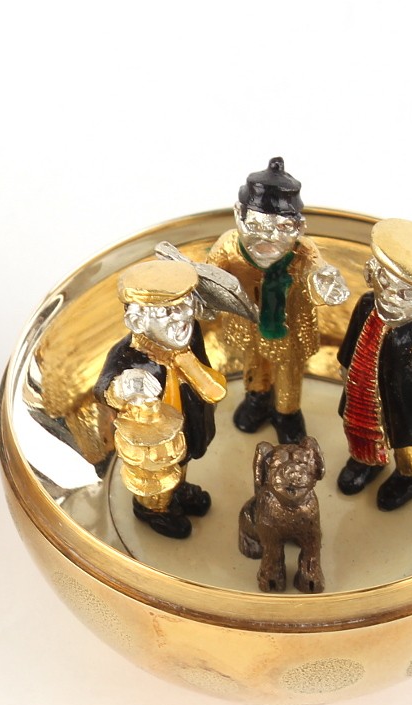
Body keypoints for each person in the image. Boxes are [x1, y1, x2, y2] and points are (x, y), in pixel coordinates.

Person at [206, 157, 349, 444]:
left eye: (281, 228)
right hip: (248, 324)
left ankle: (287, 413)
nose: (267, 238)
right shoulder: (229, 246)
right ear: (238, 215)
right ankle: (256, 398)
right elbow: (211, 275)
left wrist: (325, 283)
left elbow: (317, 272)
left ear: (299, 227)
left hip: (288, 329)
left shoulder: (303, 251)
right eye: (256, 226)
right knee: (253, 363)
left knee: (288, 372)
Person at [336, 219, 412, 511]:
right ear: (371, 272)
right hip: (363, 391)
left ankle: (410, 477)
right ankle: (366, 461)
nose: (391, 295)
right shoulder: (367, 305)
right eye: (385, 280)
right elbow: (352, 340)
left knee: (408, 448)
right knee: (358, 428)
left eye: (408, 293)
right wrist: (345, 366)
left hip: (408, 408)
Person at [96, 260, 226, 538]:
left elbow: (205, 375)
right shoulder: (126, 355)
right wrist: (122, 388)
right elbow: (103, 389)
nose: (183, 316)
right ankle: (154, 510)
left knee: (182, 460)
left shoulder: (190, 336)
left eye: (186, 304)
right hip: (152, 440)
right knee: (155, 476)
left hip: (186, 423)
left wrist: (188, 364)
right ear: (137, 321)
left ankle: (177, 490)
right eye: (167, 311)